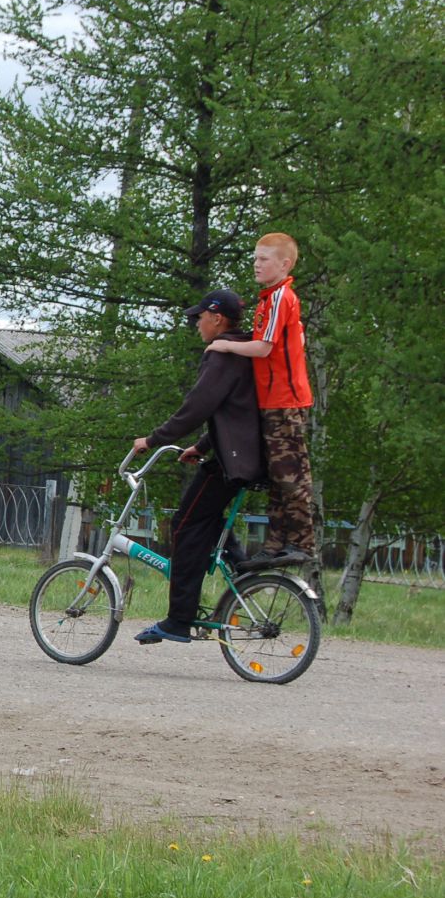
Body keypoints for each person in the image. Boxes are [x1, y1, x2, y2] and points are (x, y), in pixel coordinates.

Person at [130, 289, 264, 644]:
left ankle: (179, 619)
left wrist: (152, 440)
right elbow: (234, 411)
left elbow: (197, 407)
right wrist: (200, 445)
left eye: (199, 317)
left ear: (216, 318)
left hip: (231, 462)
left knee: (185, 524)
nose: (196, 324)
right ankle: (242, 568)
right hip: (242, 457)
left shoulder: (222, 355)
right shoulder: (240, 352)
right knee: (205, 518)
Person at [205, 233, 315, 569]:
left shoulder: (282, 296)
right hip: (270, 402)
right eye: (255, 257)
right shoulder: (268, 300)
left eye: (264, 258)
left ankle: (302, 543)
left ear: (284, 264)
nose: (257, 263)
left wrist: (225, 345)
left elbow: (263, 347)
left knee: (291, 476)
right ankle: (275, 543)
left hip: (285, 402)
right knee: (275, 476)